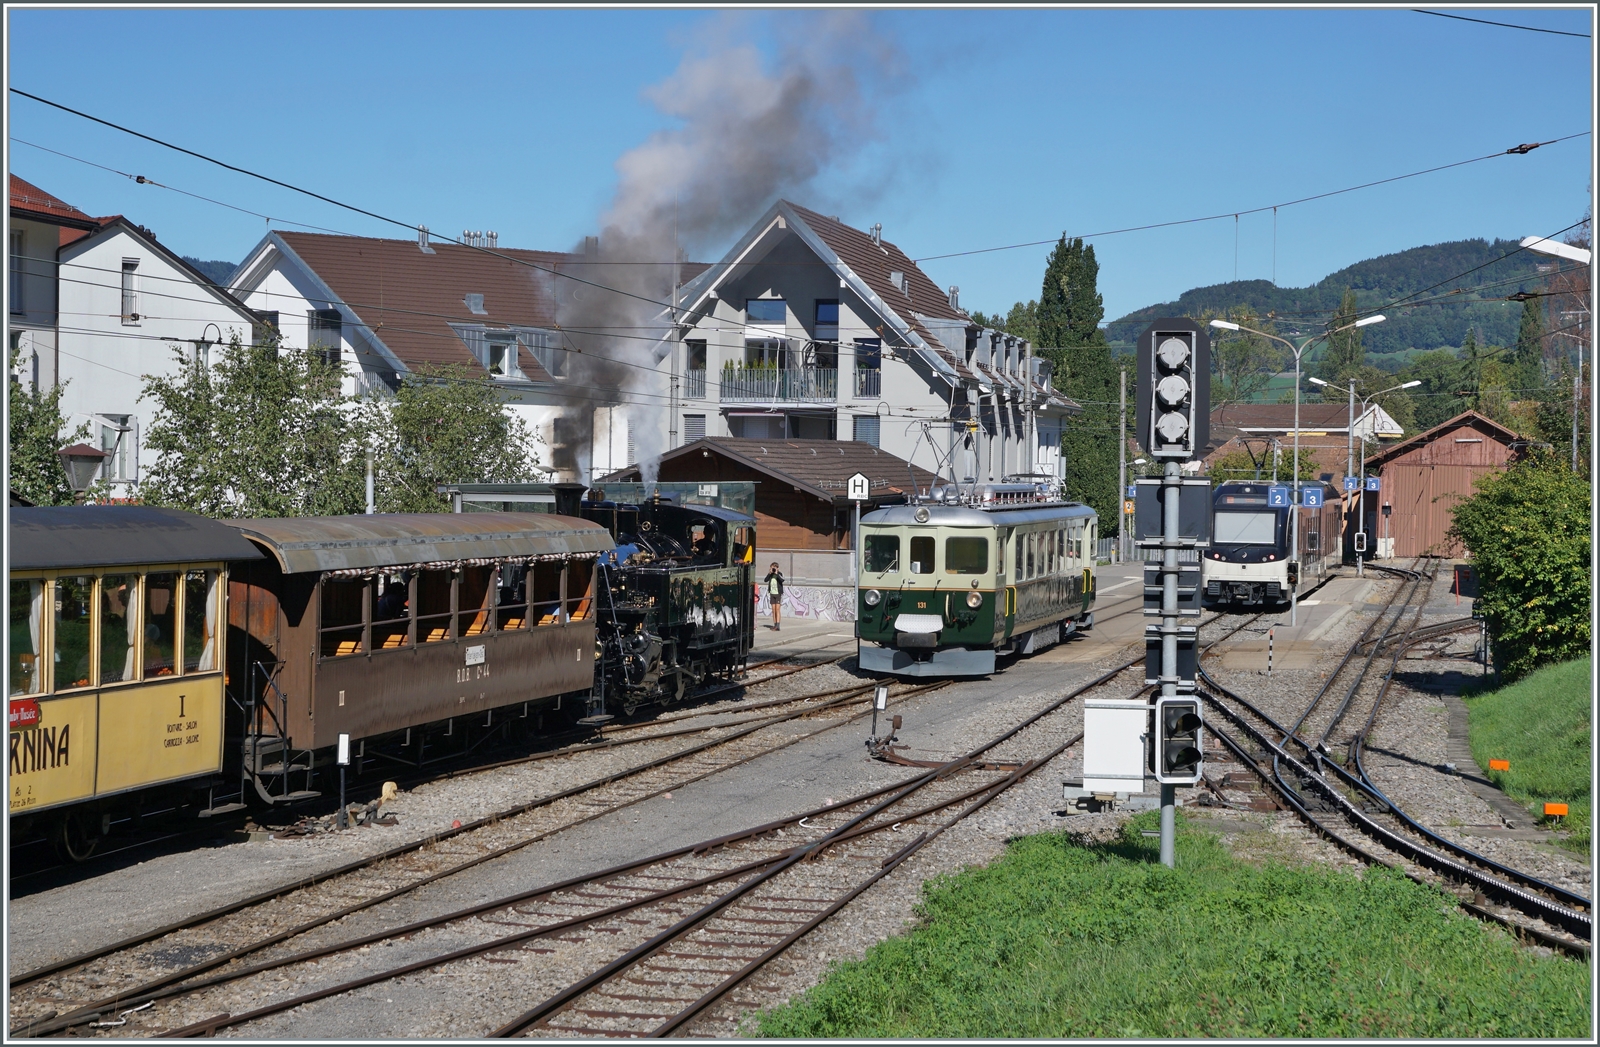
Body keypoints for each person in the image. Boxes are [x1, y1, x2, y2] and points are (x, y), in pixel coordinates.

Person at [764, 562, 784, 630]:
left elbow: (782, 580)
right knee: (773, 610)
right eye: (772, 567)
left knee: (777, 610)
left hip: (778, 594)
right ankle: (775, 624)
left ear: (777, 568)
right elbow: (765, 580)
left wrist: (776, 573)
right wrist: (769, 573)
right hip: (772, 593)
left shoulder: (779, 574)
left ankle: (778, 625)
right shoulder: (771, 575)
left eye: (774, 568)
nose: (773, 569)